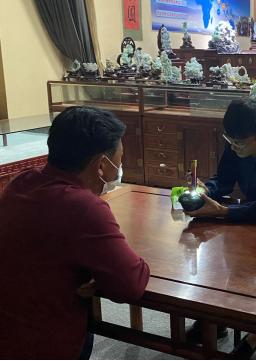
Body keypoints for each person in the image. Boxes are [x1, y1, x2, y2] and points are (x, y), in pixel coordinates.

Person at [0, 106, 150, 359]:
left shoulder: (21, 182)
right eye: (119, 159)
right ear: (101, 165)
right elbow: (130, 286)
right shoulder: (84, 207)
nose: (118, 168)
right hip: (45, 341)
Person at [183, 98, 256, 358]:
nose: (233, 147)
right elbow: (224, 180)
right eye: (230, 140)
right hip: (249, 220)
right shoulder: (236, 142)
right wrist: (205, 191)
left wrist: (226, 212)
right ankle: (218, 318)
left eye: (239, 143)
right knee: (222, 265)